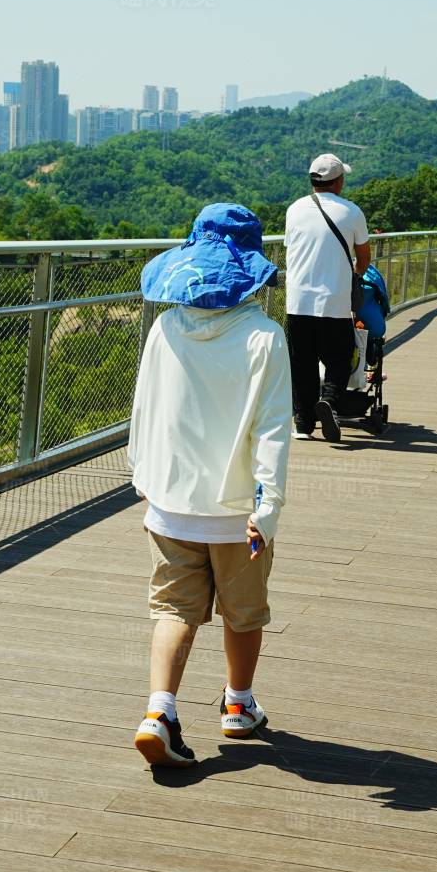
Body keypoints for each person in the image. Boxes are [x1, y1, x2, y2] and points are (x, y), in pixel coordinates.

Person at [128, 203, 292, 768]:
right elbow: (273, 431)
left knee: (173, 610)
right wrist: (266, 510)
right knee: (244, 615)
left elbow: (147, 408)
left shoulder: (165, 326)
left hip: (170, 503)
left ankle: (160, 712)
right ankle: (238, 706)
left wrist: (144, 477)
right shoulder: (265, 338)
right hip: (237, 513)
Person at [284, 152, 371, 441]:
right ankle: (330, 403)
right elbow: (364, 260)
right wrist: (354, 274)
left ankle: (303, 424)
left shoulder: (294, 209)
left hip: (297, 300)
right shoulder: (352, 212)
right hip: (334, 300)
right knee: (339, 356)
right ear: (339, 182)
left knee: (302, 362)